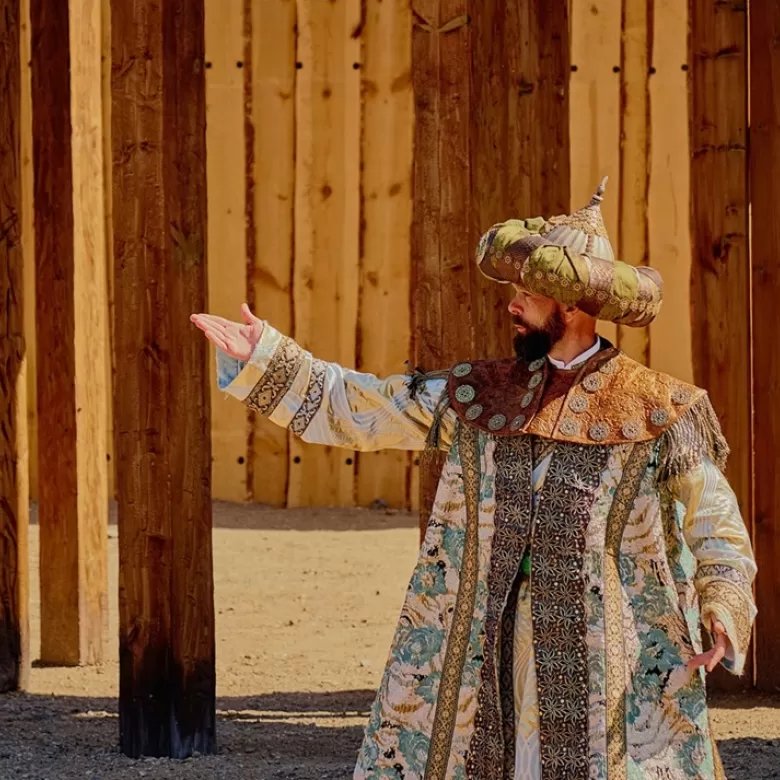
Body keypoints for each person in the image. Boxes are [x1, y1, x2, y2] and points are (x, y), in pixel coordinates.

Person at [191, 179, 756, 780]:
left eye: (527, 296)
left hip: (605, 648)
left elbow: (714, 521)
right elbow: (363, 408)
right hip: (485, 639)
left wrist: (722, 604)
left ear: (571, 308)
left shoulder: (660, 406)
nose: (512, 306)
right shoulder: (478, 394)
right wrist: (268, 357)